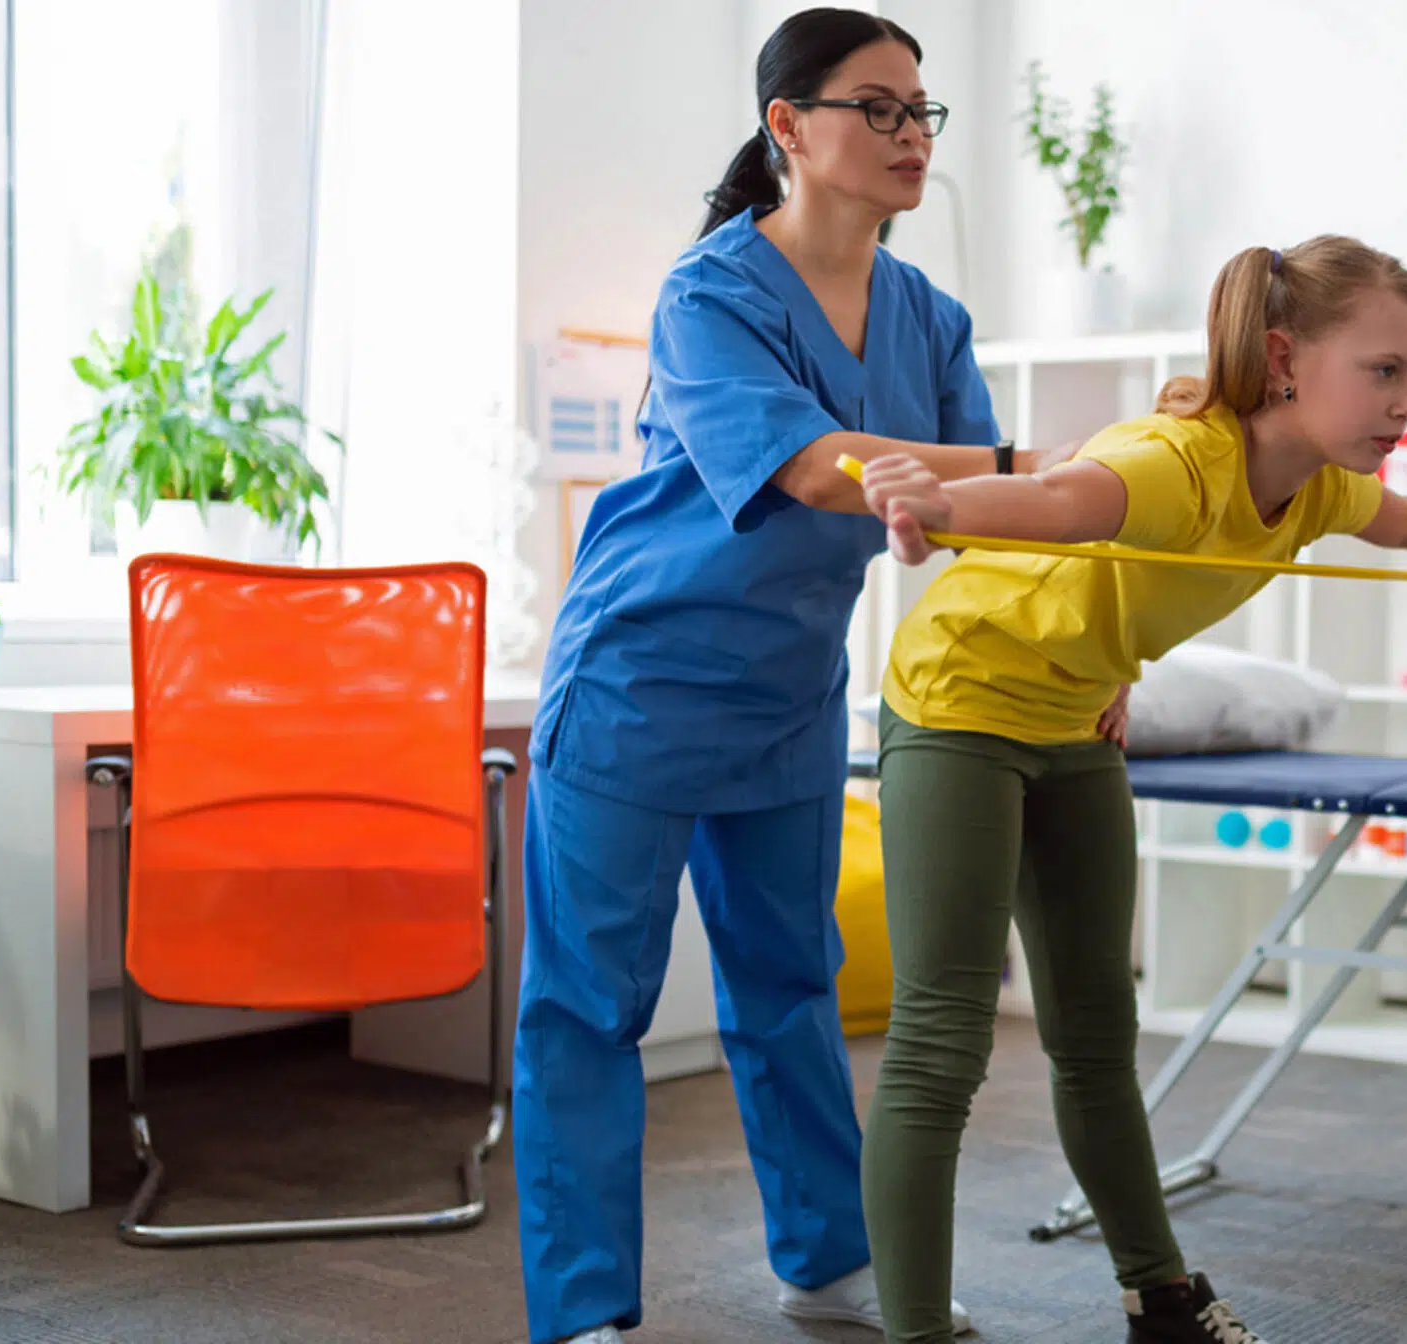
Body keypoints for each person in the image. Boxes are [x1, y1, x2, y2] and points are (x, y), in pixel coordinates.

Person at [853, 234, 1407, 1343]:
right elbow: (1054, 500)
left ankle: (1159, 1296)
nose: (1406, 403)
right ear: (1284, 356)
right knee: (944, 1037)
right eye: (1384, 372)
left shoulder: (1320, 489)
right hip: (957, 702)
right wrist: (929, 511)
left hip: (1076, 715)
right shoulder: (1172, 463)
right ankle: (916, 1332)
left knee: (1095, 1032)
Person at [513, 9, 1063, 1341]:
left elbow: (970, 522)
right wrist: (1026, 470)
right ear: (789, 129)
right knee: (592, 1005)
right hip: (639, 680)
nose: (911, 135)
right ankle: (584, 1310)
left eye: (922, 112)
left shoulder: (929, 318)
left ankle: (826, 1261)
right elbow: (817, 466)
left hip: (787, 700)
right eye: (877, 107)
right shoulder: (709, 293)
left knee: (792, 988)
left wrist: (1066, 642)